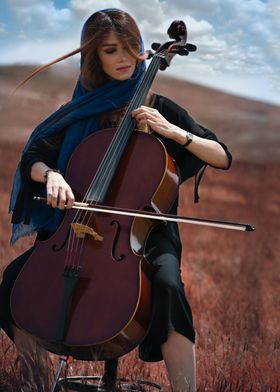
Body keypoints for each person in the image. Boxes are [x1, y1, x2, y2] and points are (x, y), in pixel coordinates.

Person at [0, 9, 232, 392]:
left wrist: (173, 132)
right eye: (111, 50)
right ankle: (36, 383)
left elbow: (222, 156)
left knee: (169, 287)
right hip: (77, 229)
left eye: (131, 48)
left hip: (147, 235)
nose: (125, 58)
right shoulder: (77, 112)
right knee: (13, 283)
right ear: (95, 57)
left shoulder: (159, 106)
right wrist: (52, 174)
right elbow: (33, 158)